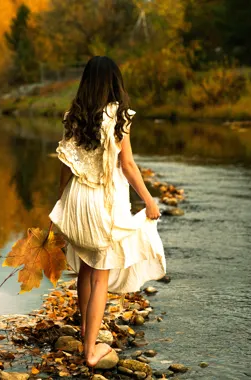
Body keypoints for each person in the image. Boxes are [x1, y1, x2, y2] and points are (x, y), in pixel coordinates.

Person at [49, 56, 166, 367]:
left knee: (86, 267)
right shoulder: (118, 116)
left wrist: (61, 201)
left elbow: (65, 164)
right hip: (103, 200)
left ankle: (86, 329)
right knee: (101, 275)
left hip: (76, 199)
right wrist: (149, 199)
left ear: (86, 81)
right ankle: (90, 351)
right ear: (115, 81)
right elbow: (127, 165)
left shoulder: (72, 115)